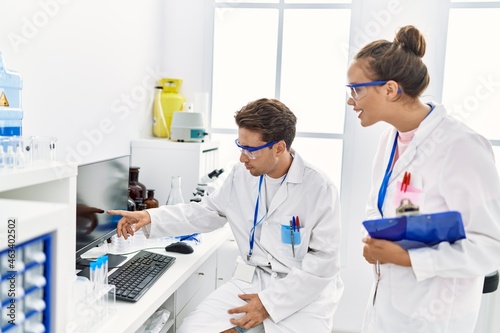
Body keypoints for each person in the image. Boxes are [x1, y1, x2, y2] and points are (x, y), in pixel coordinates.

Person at [109, 98, 344, 333]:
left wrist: (269, 304)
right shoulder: (240, 176)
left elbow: (323, 264)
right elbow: (207, 211)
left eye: (250, 151)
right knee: (191, 329)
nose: (242, 158)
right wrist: (152, 217)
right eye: (240, 146)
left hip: (303, 294)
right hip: (254, 279)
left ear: (279, 148)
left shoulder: (319, 189)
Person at [346, 25, 500, 332]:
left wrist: (408, 259)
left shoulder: (461, 146)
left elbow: (491, 248)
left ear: (389, 89)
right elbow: (383, 207)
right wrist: (380, 239)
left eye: (357, 90)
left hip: (434, 318)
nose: (351, 101)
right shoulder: (390, 139)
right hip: (388, 309)